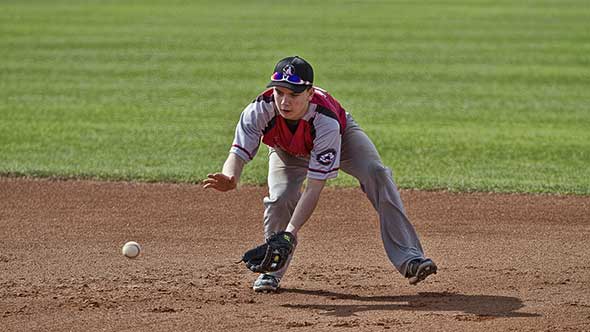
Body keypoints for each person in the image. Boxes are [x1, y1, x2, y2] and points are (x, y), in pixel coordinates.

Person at [203, 56, 437, 292]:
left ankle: (410, 258)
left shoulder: (325, 120)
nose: (284, 101)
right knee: (280, 199)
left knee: (377, 173)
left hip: (342, 140)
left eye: (293, 94)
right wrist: (230, 176)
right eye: (279, 92)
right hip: (286, 151)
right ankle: (271, 272)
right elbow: (238, 152)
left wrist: (290, 234)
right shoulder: (259, 110)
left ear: (310, 93)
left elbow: (314, 188)